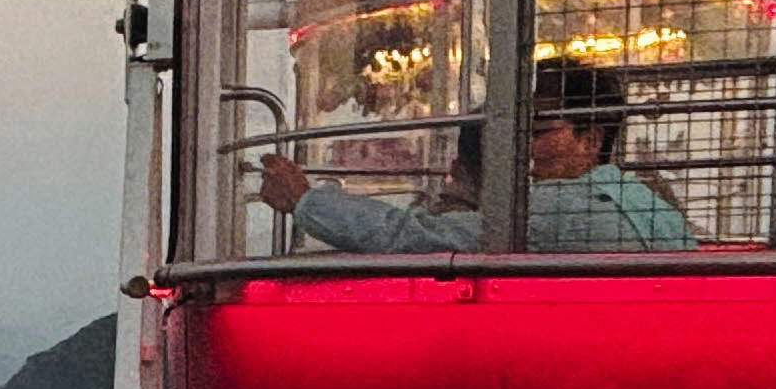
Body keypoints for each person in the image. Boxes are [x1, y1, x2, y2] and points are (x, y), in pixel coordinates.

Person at [257, 56, 696, 253]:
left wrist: (307, 201)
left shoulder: (555, 209)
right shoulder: (650, 204)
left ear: (591, 138)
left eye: (541, 132)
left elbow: (414, 237)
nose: (525, 148)